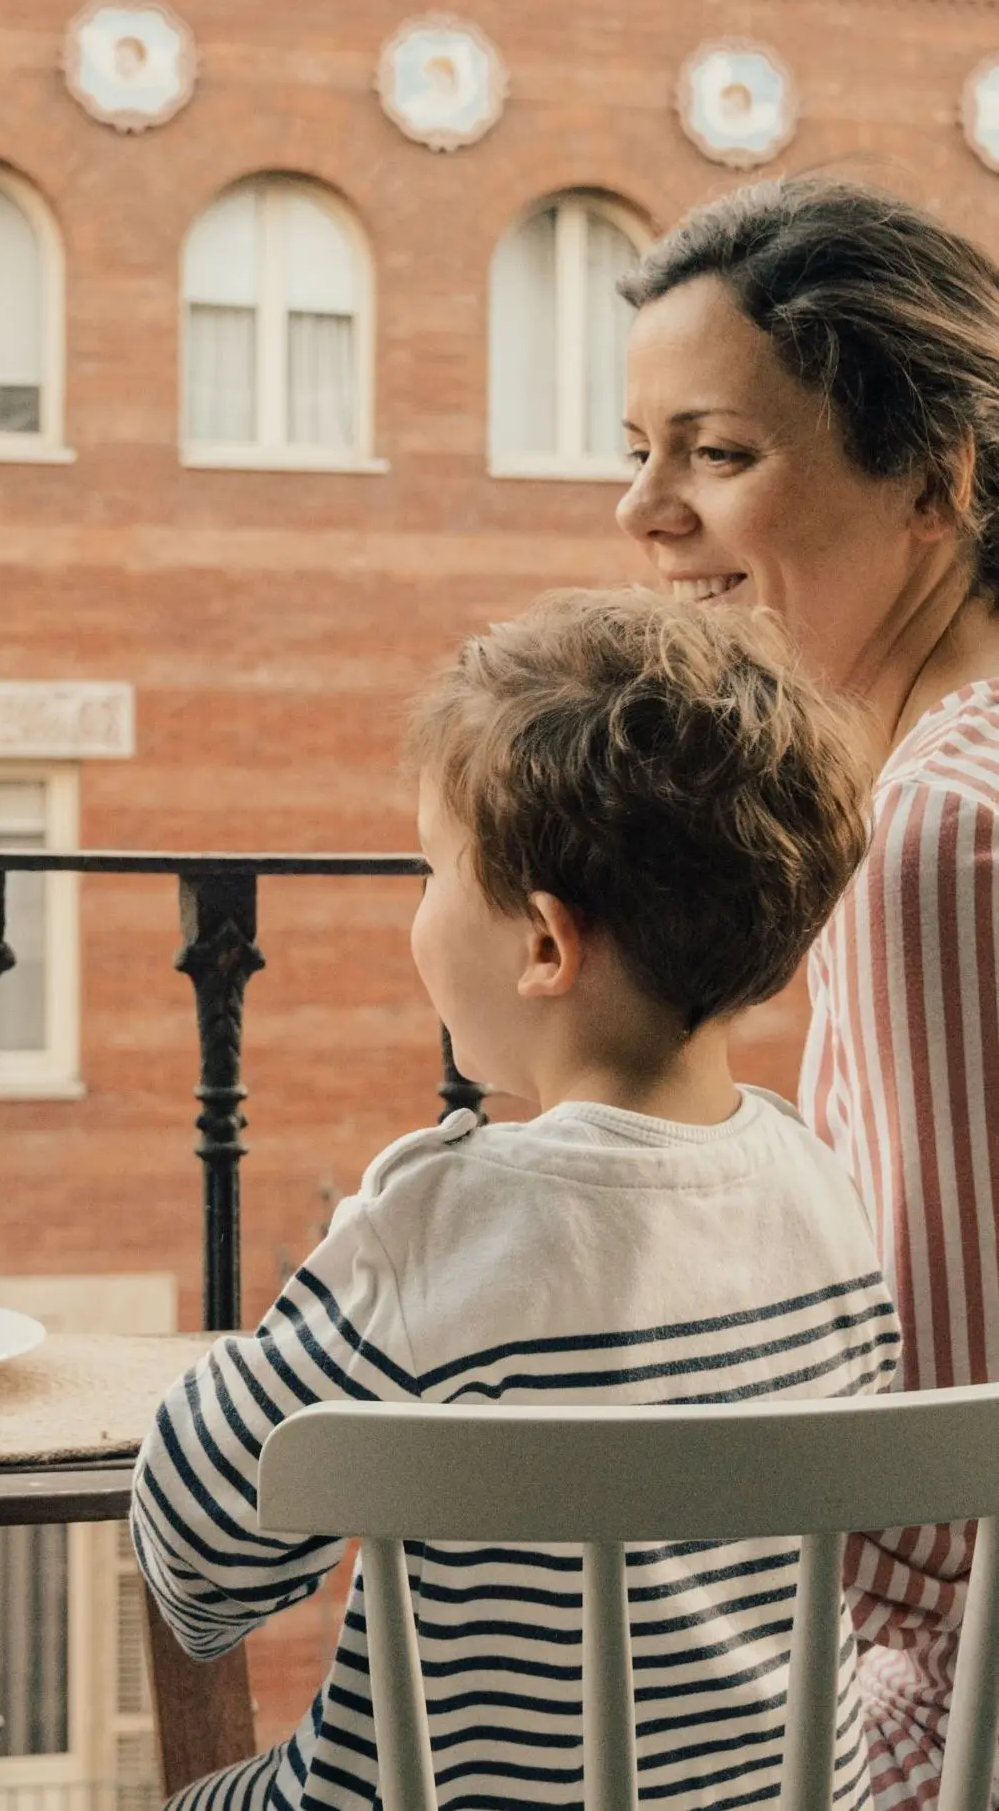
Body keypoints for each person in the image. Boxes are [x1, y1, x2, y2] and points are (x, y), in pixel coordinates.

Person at [132, 589, 898, 1811]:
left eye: (433, 869)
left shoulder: (439, 1228)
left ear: (544, 946)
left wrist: (345, 1264)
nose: (420, 909)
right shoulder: (828, 1194)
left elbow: (201, 1564)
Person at [617, 176, 999, 1810]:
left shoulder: (933, 829)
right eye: (632, 450)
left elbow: (936, 1477)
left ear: (935, 479)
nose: (643, 511)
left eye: (714, 453)